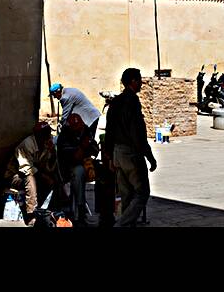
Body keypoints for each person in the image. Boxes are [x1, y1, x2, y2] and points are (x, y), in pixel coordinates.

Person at [103, 68, 157, 228]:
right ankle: (121, 224)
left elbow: (109, 131)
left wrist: (110, 156)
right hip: (130, 153)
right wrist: (149, 156)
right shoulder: (132, 101)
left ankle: (126, 224)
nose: (141, 83)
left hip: (117, 153)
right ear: (133, 81)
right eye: (139, 79)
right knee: (142, 192)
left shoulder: (115, 102)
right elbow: (137, 132)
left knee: (126, 195)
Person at [4, 121, 60, 223]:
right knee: (30, 178)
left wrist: (52, 152)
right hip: (15, 176)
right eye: (45, 134)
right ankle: (31, 213)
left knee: (52, 178)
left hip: (36, 173)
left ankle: (47, 209)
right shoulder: (27, 144)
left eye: (49, 133)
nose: (49, 136)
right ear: (38, 136)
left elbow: (49, 168)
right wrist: (44, 176)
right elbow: (27, 169)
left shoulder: (47, 143)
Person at [56, 112, 99, 225]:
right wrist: (84, 146)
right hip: (68, 168)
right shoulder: (64, 137)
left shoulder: (85, 130)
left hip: (85, 163)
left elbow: (95, 149)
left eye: (80, 128)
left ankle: (106, 212)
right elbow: (74, 157)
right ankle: (80, 211)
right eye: (76, 129)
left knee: (106, 172)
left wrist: (90, 146)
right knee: (78, 173)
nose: (79, 131)